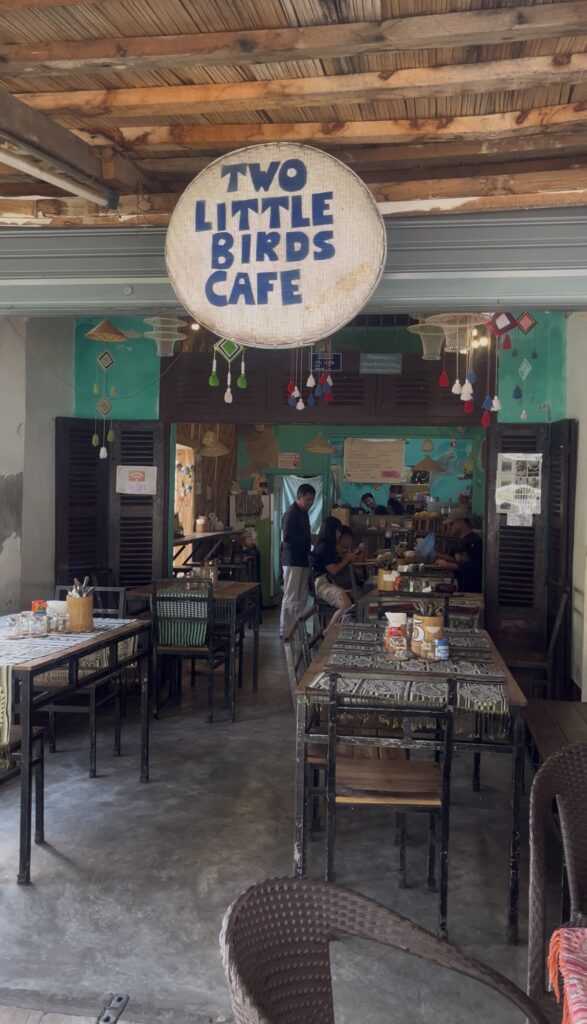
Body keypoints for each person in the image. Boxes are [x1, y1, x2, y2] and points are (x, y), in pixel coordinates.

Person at [279, 483, 316, 638]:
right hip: (292, 560)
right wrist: (308, 539)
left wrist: (309, 539)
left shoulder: (303, 513)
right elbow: (287, 537)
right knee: (291, 596)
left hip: (302, 558)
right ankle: (285, 631)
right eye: (308, 499)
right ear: (299, 497)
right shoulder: (291, 513)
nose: (310, 503)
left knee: (302, 597)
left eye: (312, 500)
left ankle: (298, 629)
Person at [310, 516, 357, 630]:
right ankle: (327, 633)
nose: (339, 534)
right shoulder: (325, 547)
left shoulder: (322, 544)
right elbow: (334, 570)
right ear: (332, 531)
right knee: (347, 606)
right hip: (321, 584)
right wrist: (347, 559)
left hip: (323, 582)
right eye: (338, 531)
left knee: (348, 603)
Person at [436, 509, 483, 593]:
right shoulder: (461, 541)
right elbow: (457, 561)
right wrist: (440, 558)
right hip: (463, 588)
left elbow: (475, 566)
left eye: (451, 524)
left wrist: (448, 565)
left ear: (460, 522)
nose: (449, 527)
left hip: (473, 591)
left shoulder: (474, 541)